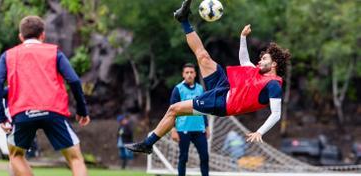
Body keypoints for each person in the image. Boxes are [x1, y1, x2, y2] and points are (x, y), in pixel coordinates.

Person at [125, 0, 291, 154]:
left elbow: (276, 114)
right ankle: (183, 19)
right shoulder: (257, 72)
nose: (260, 61)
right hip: (225, 87)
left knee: (174, 109)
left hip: (221, 103)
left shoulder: (273, 85)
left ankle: (148, 144)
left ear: (274, 64)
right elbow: (244, 60)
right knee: (203, 56)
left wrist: (260, 131)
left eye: (264, 59)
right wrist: (242, 38)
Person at [0, 16, 95, 176]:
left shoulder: (9, 55)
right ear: (43, 35)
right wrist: (82, 110)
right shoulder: (54, 51)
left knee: (16, 155)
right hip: (53, 110)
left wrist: (1, 116)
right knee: (75, 158)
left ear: (20, 36)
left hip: (23, 112)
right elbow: (73, 80)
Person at [170, 63, 220, 176]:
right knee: (183, 157)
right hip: (183, 129)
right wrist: (173, 129)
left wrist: (207, 126)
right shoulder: (178, 89)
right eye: (187, 72)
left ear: (195, 74)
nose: (189, 75)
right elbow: (172, 111)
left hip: (199, 129)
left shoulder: (200, 89)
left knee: (204, 157)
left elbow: (203, 110)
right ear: (183, 74)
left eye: (191, 72)